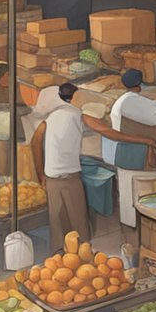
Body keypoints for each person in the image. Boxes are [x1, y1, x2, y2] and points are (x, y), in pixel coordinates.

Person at [101, 68, 156, 227]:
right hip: (132, 152)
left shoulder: (123, 100)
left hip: (125, 151)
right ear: (140, 83)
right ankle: (136, 225)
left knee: (127, 190)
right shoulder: (132, 101)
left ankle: (130, 223)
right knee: (136, 190)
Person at [32, 83, 95, 244]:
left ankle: (59, 257)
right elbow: (103, 129)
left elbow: (35, 142)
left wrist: (41, 175)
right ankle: (80, 258)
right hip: (71, 177)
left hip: (52, 177)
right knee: (79, 224)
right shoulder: (78, 114)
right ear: (74, 97)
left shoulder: (50, 117)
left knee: (58, 225)